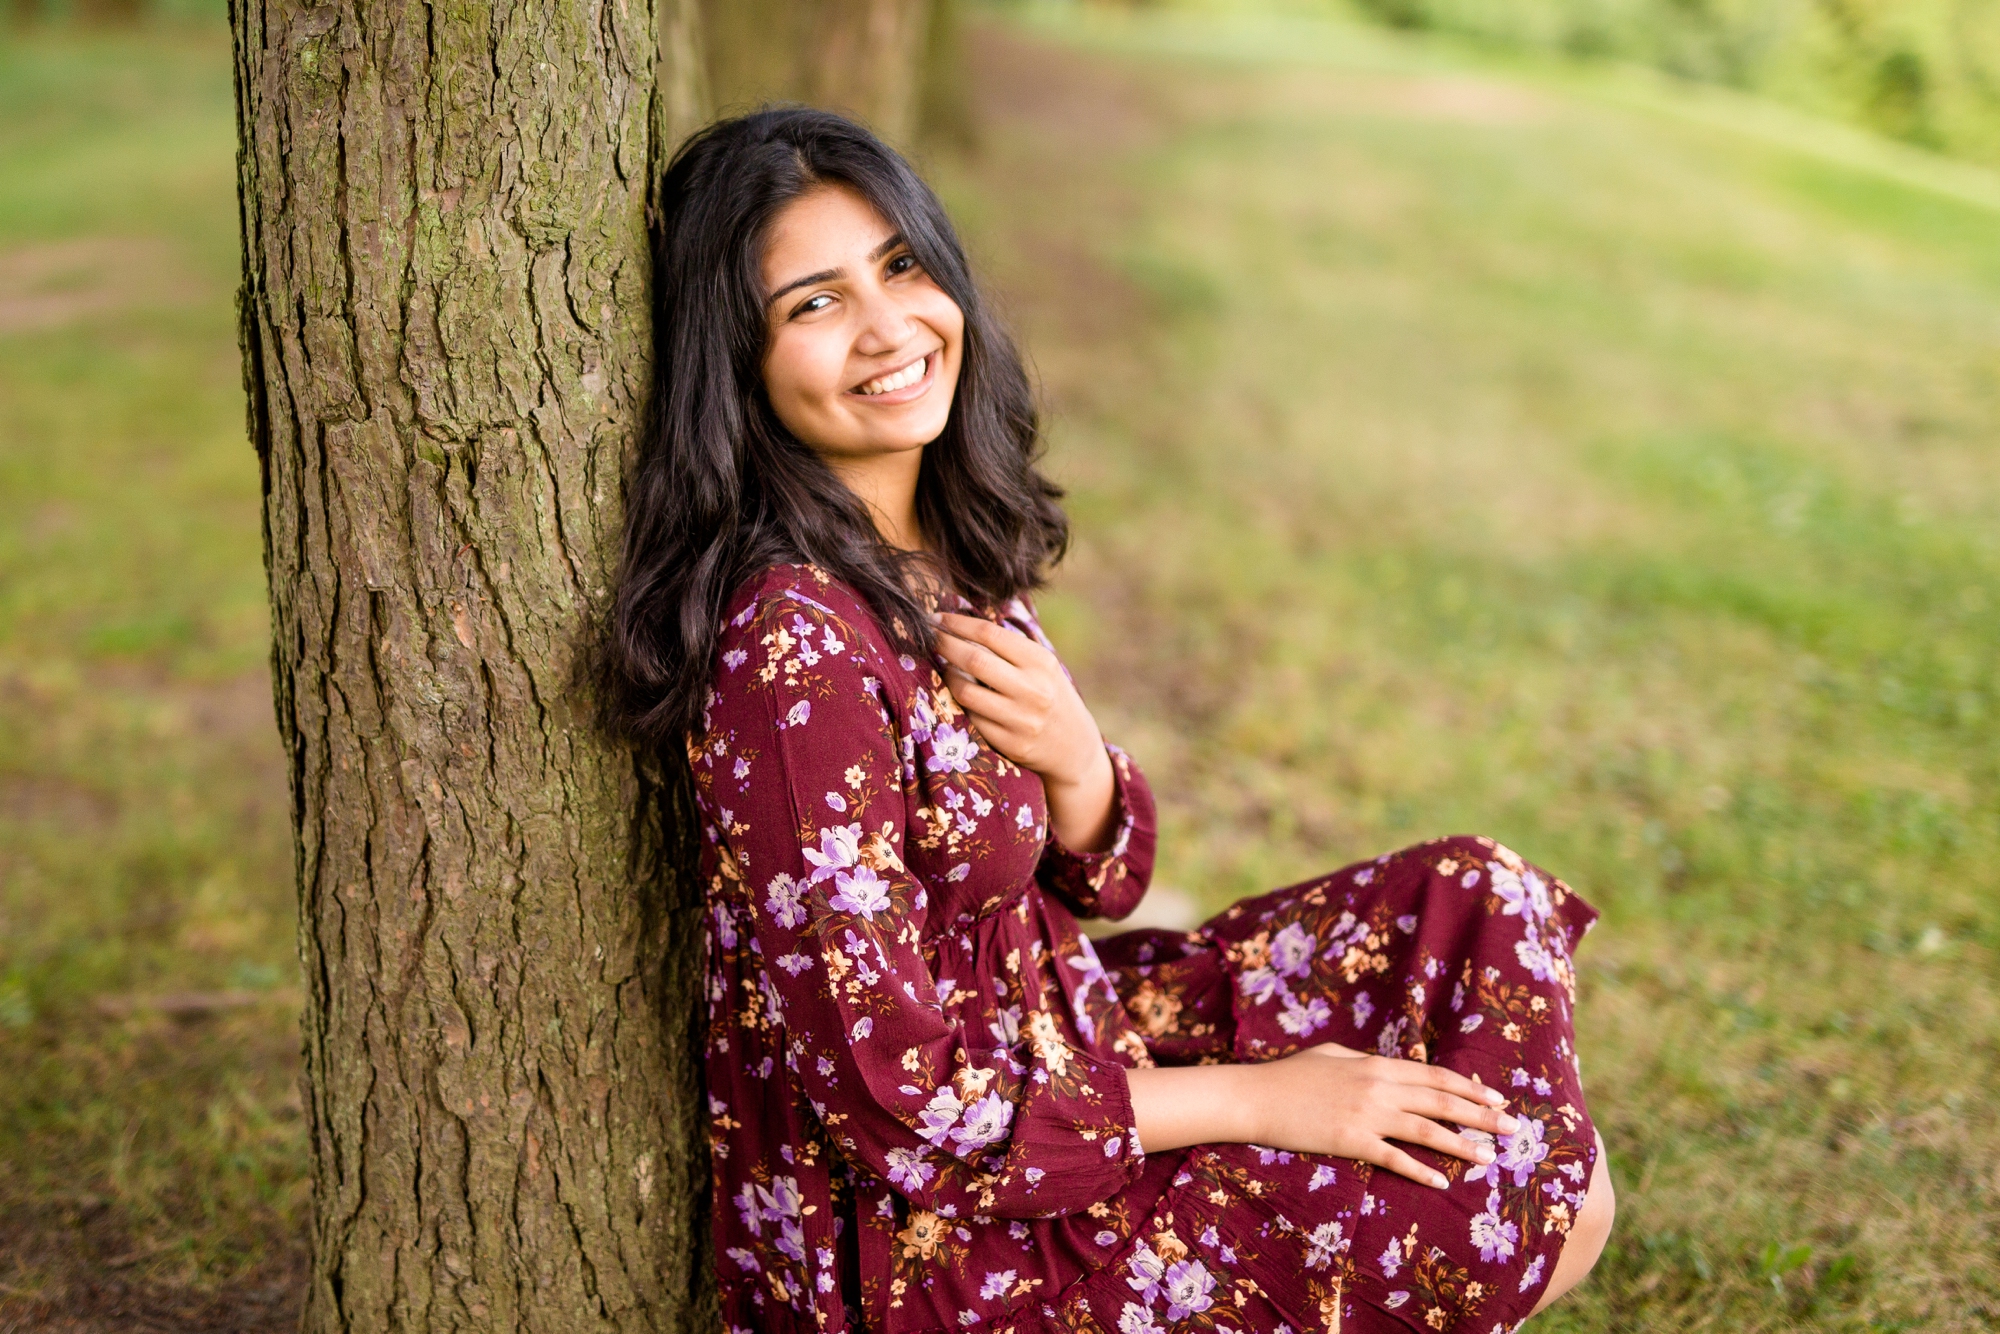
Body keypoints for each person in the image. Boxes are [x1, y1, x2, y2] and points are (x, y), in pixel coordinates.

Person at [607, 106, 1613, 1334]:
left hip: (1064, 1029)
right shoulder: (794, 652)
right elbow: (894, 1103)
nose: (887, 330)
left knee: (1473, 897)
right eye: (811, 304)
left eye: (901, 267)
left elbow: (1108, 871)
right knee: (1518, 1199)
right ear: (737, 358)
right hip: (943, 1232)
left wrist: (1077, 759)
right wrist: (1261, 1099)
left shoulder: (934, 542)